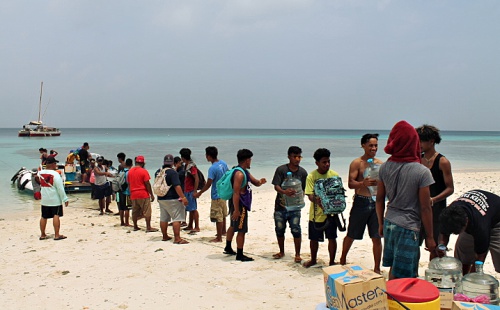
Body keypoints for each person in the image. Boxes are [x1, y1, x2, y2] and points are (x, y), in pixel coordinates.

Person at [376, 120, 435, 279]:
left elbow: (379, 199)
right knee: (408, 274)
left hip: (389, 222)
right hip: (408, 227)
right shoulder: (421, 172)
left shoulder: (384, 167)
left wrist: (381, 223)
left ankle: (390, 299)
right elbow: (425, 207)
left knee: (394, 269)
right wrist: (430, 237)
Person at [340, 134, 383, 274]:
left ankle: (377, 268)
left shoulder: (380, 164)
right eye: (371, 145)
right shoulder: (356, 163)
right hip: (361, 202)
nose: (374, 148)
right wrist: (362, 183)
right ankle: (342, 259)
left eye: (376, 145)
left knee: (377, 237)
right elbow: (351, 183)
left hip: (376, 202)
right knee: (351, 234)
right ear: (363, 145)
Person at [416, 124, 454, 260]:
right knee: (415, 245)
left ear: (431, 141)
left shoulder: (442, 162)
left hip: (437, 210)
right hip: (418, 209)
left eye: (421, 141)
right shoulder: (417, 160)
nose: (418, 144)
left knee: (435, 247)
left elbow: (450, 188)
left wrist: (434, 199)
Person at [439, 190, 500, 274]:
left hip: (497, 220)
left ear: (466, 223)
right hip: (479, 214)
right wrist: (441, 246)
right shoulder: (449, 214)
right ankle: (462, 277)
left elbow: (480, 258)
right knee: (463, 254)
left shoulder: (480, 227)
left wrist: (470, 279)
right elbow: (444, 233)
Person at [224, 149, 266, 262]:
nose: (250, 161)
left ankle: (228, 247)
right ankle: (240, 254)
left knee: (233, 225)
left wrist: (261, 182)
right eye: (250, 159)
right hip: (239, 204)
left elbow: (256, 182)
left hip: (236, 202)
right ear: (247, 160)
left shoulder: (243, 171)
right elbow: (236, 192)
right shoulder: (239, 174)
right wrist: (237, 210)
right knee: (241, 229)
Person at [303, 148, 341, 268]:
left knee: (332, 237)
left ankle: (331, 261)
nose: (327, 164)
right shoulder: (311, 176)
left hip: (332, 213)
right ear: (317, 163)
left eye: (328, 161)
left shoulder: (334, 175)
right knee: (314, 239)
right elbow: (309, 194)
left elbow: (339, 193)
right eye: (324, 162)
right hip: (316, 214)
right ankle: (313, 259)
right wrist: (317, 200)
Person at [271, 146, 308, 263]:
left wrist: (300, 196)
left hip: (295, 207)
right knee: (280, 229)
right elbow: (276, 186)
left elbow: (305, 188)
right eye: (295, 156)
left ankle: (297, 254)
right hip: (280, 206)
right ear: (289, 157)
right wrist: (284, 192)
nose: (297, 159)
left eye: (299, 156)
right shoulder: (281, 170)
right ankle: (281, 251)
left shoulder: (302, 172)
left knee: (296, 229)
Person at [194, 146, 229, 242]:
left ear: (209, 156)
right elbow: (228, 175)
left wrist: (200, 192)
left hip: (216, 195)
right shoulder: (223, 163)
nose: (206, 157)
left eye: (206, 155)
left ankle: (219, 238)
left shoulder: (212, 168)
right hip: (224, 193)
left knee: (218, 216)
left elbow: (209, 183)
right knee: (223, 214)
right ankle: (223, 232)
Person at [156, 154, 189, 244]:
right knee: (177, 218)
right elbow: (177, 186)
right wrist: (183, 197)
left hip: (161, 197)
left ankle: (164, 236)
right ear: (172, 163)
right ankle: (177, 238)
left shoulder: (158, 171)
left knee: (163, 218)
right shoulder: (172, 172)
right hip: (172, 198)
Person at [36, 156, 69, 240]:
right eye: (55, 163)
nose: (56, 165)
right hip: (55, 199)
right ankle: (57, 235)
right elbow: (60, 188)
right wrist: (65, 199)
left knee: (44, 216)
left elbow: (37, 180)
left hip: (45, 199)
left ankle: (43, 234)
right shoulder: (55, 174)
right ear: (52, 164)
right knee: (56, 215)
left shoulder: (40, 173)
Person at [128, 155, 158, 232]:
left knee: (135, 211)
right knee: (147, 211)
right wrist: (151, 194)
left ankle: (135, 226)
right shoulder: (144, 171)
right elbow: (147, 183)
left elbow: (129, 183)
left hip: (133, 194)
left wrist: (130, 193)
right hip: (143, 193)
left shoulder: (130, 171)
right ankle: (148, 227)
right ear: (143, 163)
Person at [180, 148, 200, 233]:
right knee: (190, 208)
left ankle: (197, 226)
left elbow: (196, 179)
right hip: (187, 190)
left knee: (193, 209)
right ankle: (190, 225)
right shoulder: (186, 165)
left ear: (183, 157)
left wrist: (195, 191)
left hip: (191, 190)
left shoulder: (192, 166)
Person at [117, 158, 133, 226]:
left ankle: (122, 222)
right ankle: (127, 222)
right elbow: (129, 183)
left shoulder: (121, 171)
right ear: (132, 164)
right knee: (127, 208)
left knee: (121, 208)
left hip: (120, 191)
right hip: (126, 192)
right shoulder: (129, 172)